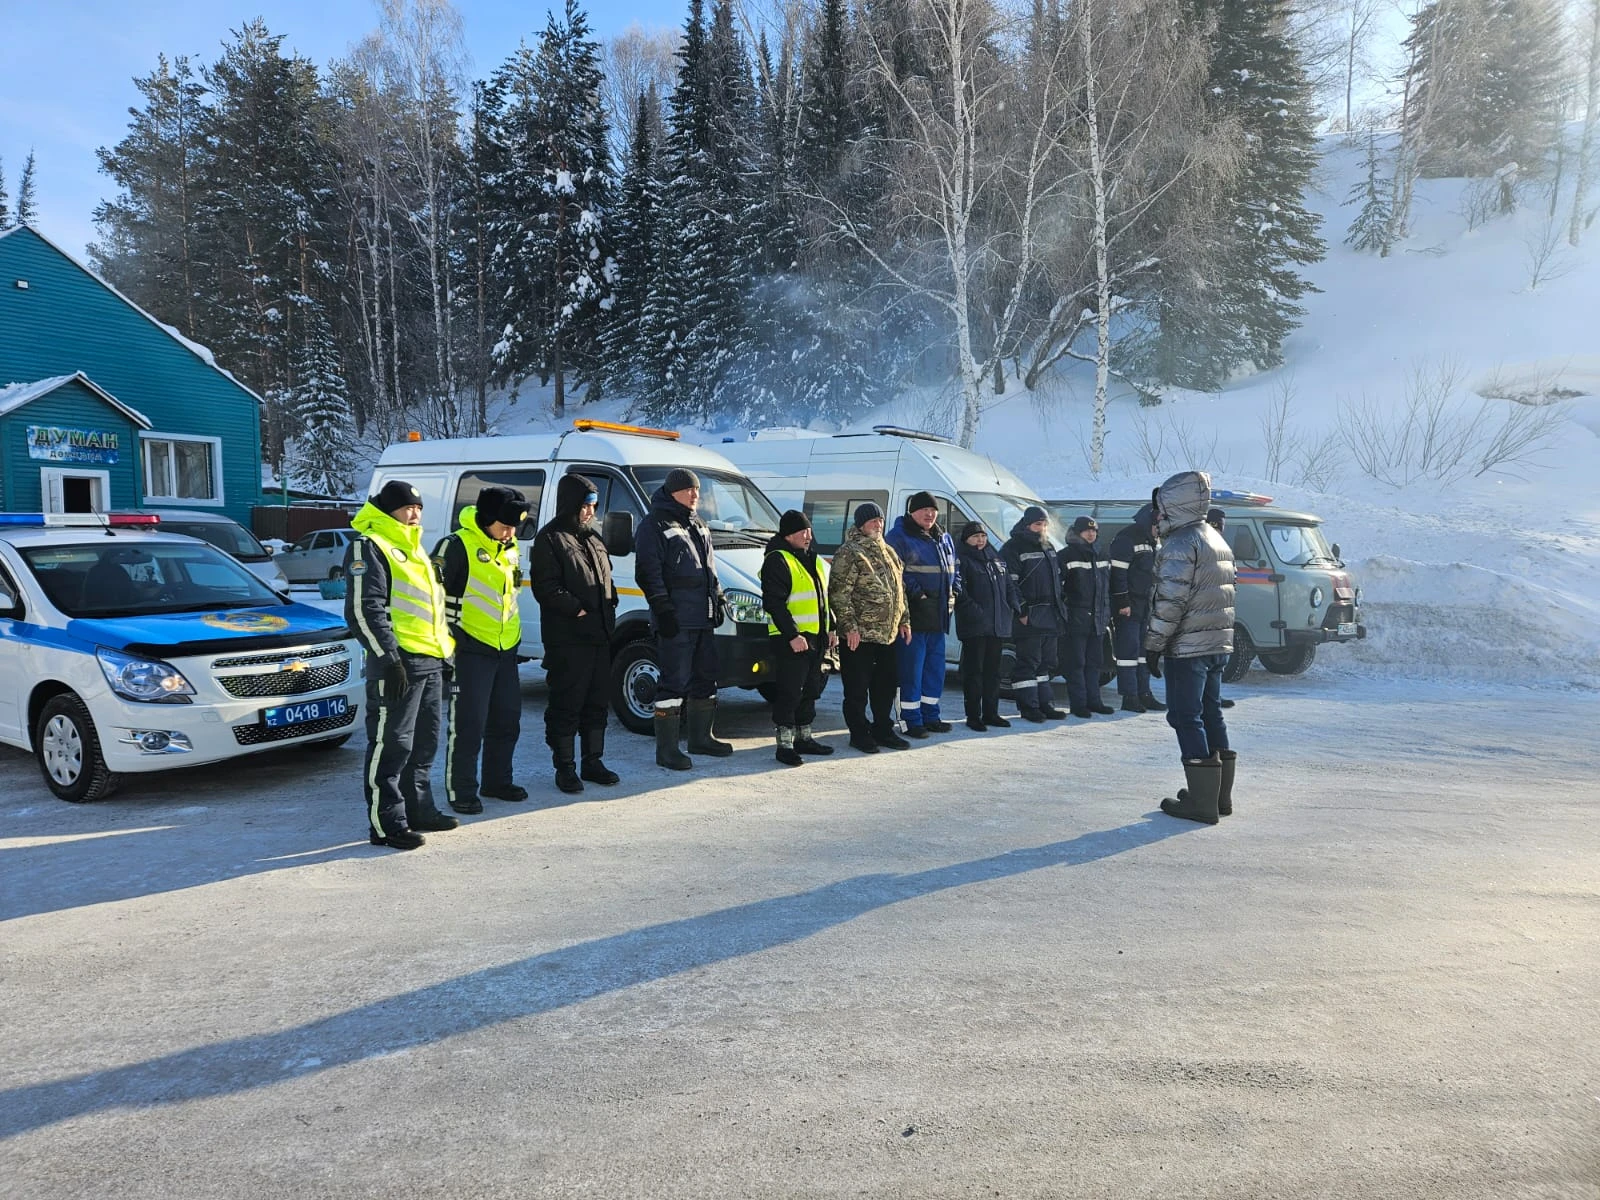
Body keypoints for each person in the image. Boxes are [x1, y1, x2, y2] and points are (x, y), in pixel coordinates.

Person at [345, 480, 458, 851]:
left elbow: (431, 610)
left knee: (425, 743)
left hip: (428, 661)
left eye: (419, 508)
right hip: (397, 664)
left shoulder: (414, 548)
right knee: (391, 745)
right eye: (408, 508)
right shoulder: (370, 546)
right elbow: (365, 609)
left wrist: (445, 654)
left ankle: (419, 809)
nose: (415, 514)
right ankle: (387, 824)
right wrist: (389, 658)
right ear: (389, 509)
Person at [1145, 470, 1238, 825]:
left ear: (1174, 504)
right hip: (1216, 643)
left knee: (1185, 716)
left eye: (1160, 506)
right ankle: (1218, 798)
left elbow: (1170, 602)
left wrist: (1154, 645)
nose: (1157, 513)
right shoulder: (1215, 538)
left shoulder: (1180, 544)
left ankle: (1201, 803)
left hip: (1188, 647)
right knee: (1210, 712)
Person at [434, 486, 530, 814]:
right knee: (468, 724)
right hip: (471, 650)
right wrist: (450, 644)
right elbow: (431, 598)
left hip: (505, 648)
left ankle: (497, 781)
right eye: (504, 526)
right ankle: (461, 789)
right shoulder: (456, 546)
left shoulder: (510, 546)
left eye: (514, 527)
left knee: (507, 720)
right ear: (486, 519)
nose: (510, 532)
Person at [529, 473, 621, 794]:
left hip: (599, 636)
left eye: (593, 505)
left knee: (597, 701)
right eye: (585, 505)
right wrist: (576, 609)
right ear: (570, 503)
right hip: (568, 638)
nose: (590, 512)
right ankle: (565, 768)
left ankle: (592, 761)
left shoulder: (594, 539)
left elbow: (605, 577)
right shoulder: (550, 539)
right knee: (567, 702)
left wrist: (611, 600)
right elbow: (546, 587)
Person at [636, 467, 730, 770]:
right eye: (690, 489)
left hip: (701, 619)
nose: (695, 495)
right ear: (674, 491)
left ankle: (701, 738)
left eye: (698, 490)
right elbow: (648, 573)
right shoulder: (654, 524)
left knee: (706, 678)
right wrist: (663, 610)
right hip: (675, 620)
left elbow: (709, 569)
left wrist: (718, 598)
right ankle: (667, 750)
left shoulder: (698, 524)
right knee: (673, 683)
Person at [828, 502, 913, 754]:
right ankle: (859, 732)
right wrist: (849, 626)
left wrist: (904, 620)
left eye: (880, 520)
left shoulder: (889, 551)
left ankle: (883, 729)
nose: (878, 525)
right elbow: (839, 593)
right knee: (857, 687)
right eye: (873, 521)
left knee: (886, 685)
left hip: (886, 634)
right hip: (860, 635)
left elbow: (900, 591)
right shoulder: (850, 552)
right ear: (861, 524)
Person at [760, 510, 837, 765]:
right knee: (790, 691)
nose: (808, 536)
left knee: (812, 689)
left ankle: (804, 737)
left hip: (815, 636)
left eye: (809, 531)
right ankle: (785, 745)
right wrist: (792, 635)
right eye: (802, 531)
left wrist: (832, 628)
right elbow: (774, 603)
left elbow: (824, 599)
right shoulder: (777, 560)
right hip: (790, 638)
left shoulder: (813, 560)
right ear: (788, 534)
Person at [885, 492, 960, 738]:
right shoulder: (899, 537)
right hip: (913, 616)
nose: (929, 514)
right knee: (911, 670)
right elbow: (896, 573)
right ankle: (910, 720)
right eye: (924, 510)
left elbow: (955, 568)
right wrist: (919, 594)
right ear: (912, 512)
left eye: (933, 510)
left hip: (938, 617)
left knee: (934, 670)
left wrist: (955, 589)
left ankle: (931, 716)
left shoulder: (943, 537)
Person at [1001, 506, 1069, 723]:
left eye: (1044, 524)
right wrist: (1021, 610)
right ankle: (1028, 707)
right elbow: (1009, 583)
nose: (1041, 528)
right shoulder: (1013, 547)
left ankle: (1044, 704)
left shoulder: (1048, 546)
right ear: (1027, 524)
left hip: (1050, 614)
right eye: (1037, 524)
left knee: (1046, 663)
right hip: (1029, 614)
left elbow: (1057, 579)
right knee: (1028, 663)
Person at [953, 521, 1022, 731]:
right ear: (966, 539)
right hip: (975, 627)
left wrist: (1014, 604)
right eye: (975, 537)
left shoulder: (996, 559)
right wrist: (976, 612)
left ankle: (991, 713)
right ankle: (973, 716)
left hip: (997, 625)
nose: (980, 540)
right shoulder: (962, 560)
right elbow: (960, 591)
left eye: (982, 536)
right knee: (974, 672)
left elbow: (1009, 585)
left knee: (993, 672)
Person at [1109, 503, 1165, 714]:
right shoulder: (1127, 538)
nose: (1160, 529)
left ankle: (1145, 693)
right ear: (1150, 521)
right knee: (1128, 652)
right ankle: (1129, 697)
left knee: (1144, 652)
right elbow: (1118, 575)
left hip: (1145, 604)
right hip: (1129, 606)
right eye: (1158, 524)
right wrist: (1123, 603)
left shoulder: (1153, 541)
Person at [1060, 515, 1115, 718]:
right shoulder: (1066, 555)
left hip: (1098, 619)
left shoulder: (1102, 554)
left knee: (1095, 663)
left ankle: (1094, 701)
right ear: (1077, 532)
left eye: (1093, 530)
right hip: (1076, 619)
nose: (1090, 534)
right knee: (1076, 663)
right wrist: (1066, 613)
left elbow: (1107, 587)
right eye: (1086, 530)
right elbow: (1060, 589)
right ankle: (1079, 704)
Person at [1205, 506, 1236, 710]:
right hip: (1205, 612)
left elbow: (1233, 581)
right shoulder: (1201, 548)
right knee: (1205, 660)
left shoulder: (1226, 551)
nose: (1217, 532)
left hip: (1223, 613)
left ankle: (1213, 696)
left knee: (1218, 660)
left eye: (1219, 528)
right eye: (1213, 527)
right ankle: (1204, 698)